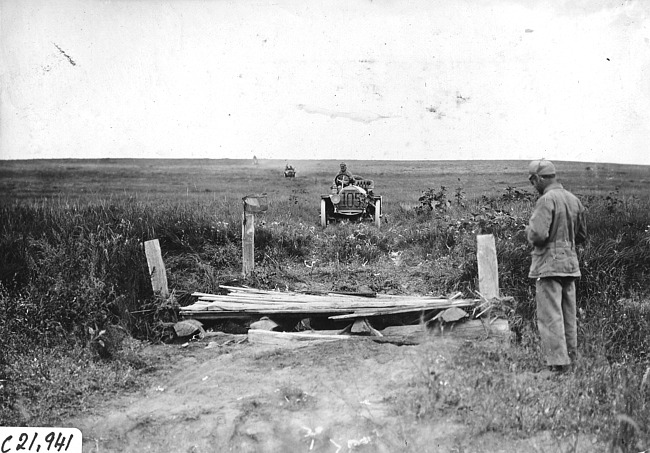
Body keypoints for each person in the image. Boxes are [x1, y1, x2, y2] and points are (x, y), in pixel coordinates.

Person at [525, 159, 587, 373]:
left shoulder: (546, 200)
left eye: (533, 180)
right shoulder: (573, 200)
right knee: (568, 313)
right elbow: (581, 236)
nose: (534, 185)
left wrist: (529, 232)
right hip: (570, 264)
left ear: (540, 178)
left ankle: (558, 364)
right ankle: (571, 358)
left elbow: (538, 234)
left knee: (550, 314)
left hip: (548, 265)